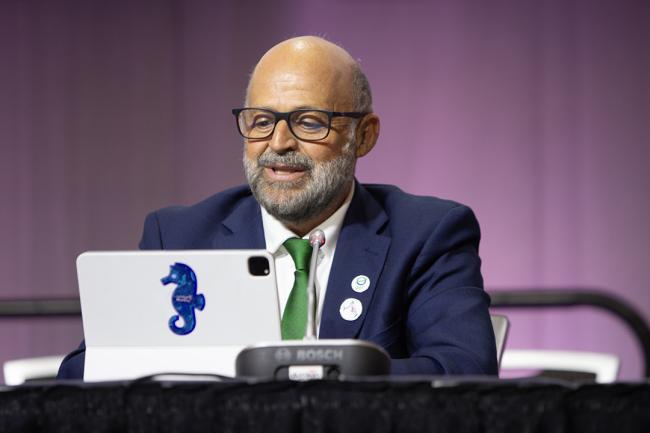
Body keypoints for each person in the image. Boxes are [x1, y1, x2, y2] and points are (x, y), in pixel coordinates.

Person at [58, 36, 497, 379]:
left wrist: (307, 379)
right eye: (262, 121)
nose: (279, 143)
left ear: (364, 135)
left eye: (309, 122)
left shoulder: (426, 233)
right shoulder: (178, 237)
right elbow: (83, 373)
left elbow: (463, 372)